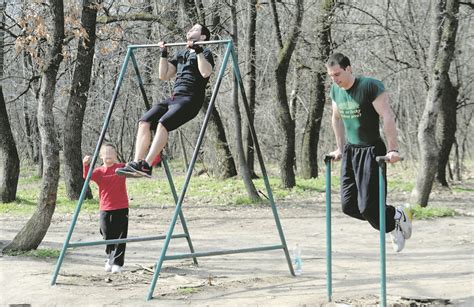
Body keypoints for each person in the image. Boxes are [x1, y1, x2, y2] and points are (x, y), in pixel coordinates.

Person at [326, 52, 412, 252]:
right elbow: (336, 118)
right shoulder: (335, 91)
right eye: (331, 76)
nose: (335, 79)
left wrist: (393, 149)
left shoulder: (369, 86)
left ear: (348, 68)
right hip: (351, 151)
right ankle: (394, 217)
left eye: (337, 74)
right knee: (349, 206)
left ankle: (393, 221)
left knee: (368, 207)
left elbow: (387, 116)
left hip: (372, 151)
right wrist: (340, 148)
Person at [116, 23, 214, 178]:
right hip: (175, 98)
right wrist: (163, 54)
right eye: (190, 29)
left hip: (190, 99)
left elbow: (205, 72)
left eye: (195, 29)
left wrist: (199, 51)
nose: (190, 30)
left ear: (203, 37)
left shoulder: (206, 52)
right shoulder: (182, 53)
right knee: (144, 121)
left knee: (163, 123)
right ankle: (137, 162)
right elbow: (164, 75)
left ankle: (147, 165)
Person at [83, 143, 129, 273]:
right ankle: (109, 257)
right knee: (106, 232)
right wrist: (85, 165)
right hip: (105, 207)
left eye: (111, 154)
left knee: (121, 236)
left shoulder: (121, 168)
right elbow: (87, 177)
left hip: (121, 206)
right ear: (101, 156)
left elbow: (137, 169)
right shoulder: (99, 172)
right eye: (106, 154)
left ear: (115, 156)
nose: (108, 157)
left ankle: (118, 263)